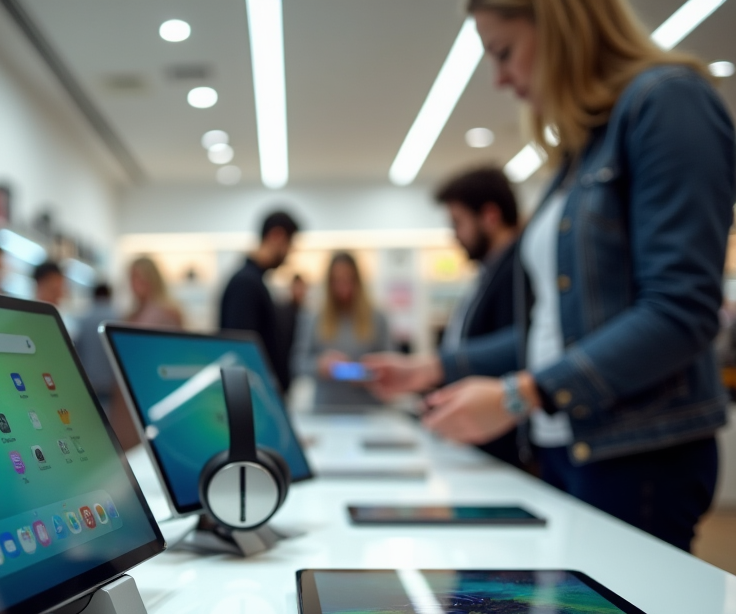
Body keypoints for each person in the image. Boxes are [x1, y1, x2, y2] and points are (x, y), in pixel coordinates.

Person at [365, 0, 735, 552]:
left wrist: (522, 394)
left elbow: (680, 310)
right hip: (569, 446)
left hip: (635, 455)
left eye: (505, 52)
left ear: (560, 23)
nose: (501, 79)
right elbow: (559, 334)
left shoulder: (667, 101)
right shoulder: (582, 148)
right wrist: (436, 366)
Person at [435, 167, 524, 467]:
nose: (455, 236)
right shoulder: (488, 273)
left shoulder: (519, 272)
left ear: (489, 216)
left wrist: (436, 368)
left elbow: (522, 347)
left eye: (458, 223)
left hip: (504, 439)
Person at [294, 252, 392, 409]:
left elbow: (391, 364)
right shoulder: (314, 317)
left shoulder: (377, 318)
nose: (343, 287)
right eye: (337, 281)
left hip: (369, 410)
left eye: (348, 279)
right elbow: (298, 363)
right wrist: (320, 365)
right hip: (326, 408)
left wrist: (364, 372)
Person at [219, 210, 301, 392]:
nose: (288, 253)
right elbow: (239, 352)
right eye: (289, 244)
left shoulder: (253, 281)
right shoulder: (246, 283)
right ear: (277, 236)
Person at [74, 283, 119, 412]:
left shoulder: (83, 319)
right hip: (111, 385)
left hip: (90, 382)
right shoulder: (117, 318)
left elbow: (77, 349)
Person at [126, 256, 183, 328]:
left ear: (150, 278)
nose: (133, 283)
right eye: (131, 278)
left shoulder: (169, 312)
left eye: (137, 277)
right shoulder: (132, 315)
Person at [277, 273, 308, 380]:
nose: (299, 291)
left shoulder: (306, 313)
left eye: (301, 288)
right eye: (297, 287)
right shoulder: (284, 312)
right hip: (286, 365)